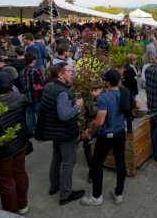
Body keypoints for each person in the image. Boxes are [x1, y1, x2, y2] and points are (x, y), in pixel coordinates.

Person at [80, 69, 139, 206]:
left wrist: (89, 131)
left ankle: (96, 197)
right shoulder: (124, 92)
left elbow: (99, 122)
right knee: (120, 162)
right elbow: (136, 106)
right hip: (120, 132)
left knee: (96, 164)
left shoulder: (103, 98)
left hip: (106, 135)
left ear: (107, 82)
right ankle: (118, 194)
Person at [34, 62, 87, 205]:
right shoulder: (63, 92)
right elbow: (63, 115)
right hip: (64, 132)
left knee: (56, 158)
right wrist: (77, 106)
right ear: (61, 75)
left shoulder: (49, 86)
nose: (72, 73)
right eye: (69, 71)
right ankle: (65, 194)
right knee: (68, 162)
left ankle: (54, 186)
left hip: (54, 131)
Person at [0, 73, 30, 215]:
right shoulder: (21, 98)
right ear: (12, 87)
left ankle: (10, 213)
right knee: (20, 173)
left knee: (6, 182)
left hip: (1, 149)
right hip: (20, 141)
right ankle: (22, 205)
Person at [79, 80, 103, 184]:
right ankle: (91, 168)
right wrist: (81, 130)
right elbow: (82, 115)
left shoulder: (104, 99)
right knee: (87, 145)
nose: (93, 92)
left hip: (102, 125)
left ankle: (97, 166)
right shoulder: (87, 100)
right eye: (92, 90)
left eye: (95, 90)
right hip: (90, 126)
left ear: (100, 90)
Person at [19, 52, 45, 138]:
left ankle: (29, 133)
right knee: (39, 114)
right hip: (36, 95)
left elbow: (21, 84)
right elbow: (41, 83)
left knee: (29, 115)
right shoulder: (36, 71)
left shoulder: (22, 71)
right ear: (34, 61)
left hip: (26, 95)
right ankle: (40, 132)